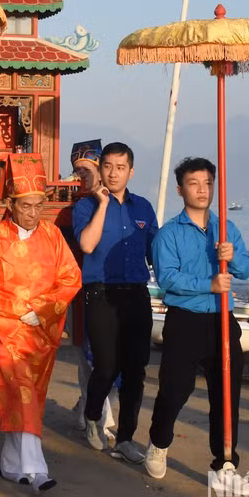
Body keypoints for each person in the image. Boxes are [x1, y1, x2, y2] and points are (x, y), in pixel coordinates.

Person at [0, 153, 81, 493]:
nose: (33, 213)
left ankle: (11, 463)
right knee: (22, 389)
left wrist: (43, 311)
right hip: (5, 329)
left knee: (27, 396)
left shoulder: (53, 236)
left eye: (38, 205)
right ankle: (36, 468)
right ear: (10, 203)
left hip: (41, 332)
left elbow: (71, 277)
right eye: (26, 205)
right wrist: (17, 309)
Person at [145, 158, 249, 497]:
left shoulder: (226, 228)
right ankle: (159, 442)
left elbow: (244, 271)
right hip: (185, 321)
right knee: (174, 391)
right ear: (181, 189)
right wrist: (207, 284)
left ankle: (224, 465)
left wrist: (231, 254)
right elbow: (167, 279)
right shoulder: (169, 233)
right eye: (194, 183)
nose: (202, 189)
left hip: (222, 320)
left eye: (208, 183)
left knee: (227, 396)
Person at [72, 142, 157, 464]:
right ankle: (93, 416)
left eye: (120, 167)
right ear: (101, 168)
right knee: (105, 366)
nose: (113, 173)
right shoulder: (85, 207)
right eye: (108, 166)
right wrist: (103, 204)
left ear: (131, 171)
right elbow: (87, 244)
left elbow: (156, 253)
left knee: (135, 371)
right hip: (100, 293)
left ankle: (125, 438)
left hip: (136, 294)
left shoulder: (144, 208)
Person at [64, 139, 118, 443]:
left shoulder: (118, 201)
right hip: (81, 288)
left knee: (114, 359)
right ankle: (98, 416)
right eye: (76, 171)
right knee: (87, 356)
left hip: (115, 288)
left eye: (86, 170)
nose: (81, 177)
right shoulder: (78, 205)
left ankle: (88, 407)